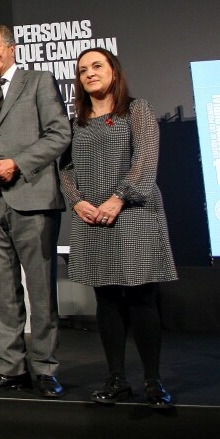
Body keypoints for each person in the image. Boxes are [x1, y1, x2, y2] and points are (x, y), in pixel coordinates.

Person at [59, 47, 177, 408]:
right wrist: (77, 201)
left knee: (141, 297)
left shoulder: (136, 110)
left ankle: (153, 381)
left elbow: (146, 158)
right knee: (107, 299)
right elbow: (64, 169)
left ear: (114, 71)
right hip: (91, 216)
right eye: (82, 70)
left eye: (97, 66)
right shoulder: (74, 121)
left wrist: (119, 198)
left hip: (133, 213)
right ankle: (116, 379)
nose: (89, 73)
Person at [0, 24, 71, 398]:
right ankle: (11, 368)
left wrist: (17, 163)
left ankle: (45, 369)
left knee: (40, 291)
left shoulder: (39, 81)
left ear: (11, 48)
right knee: (1, 294)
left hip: (33, 198)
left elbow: (59, 134)